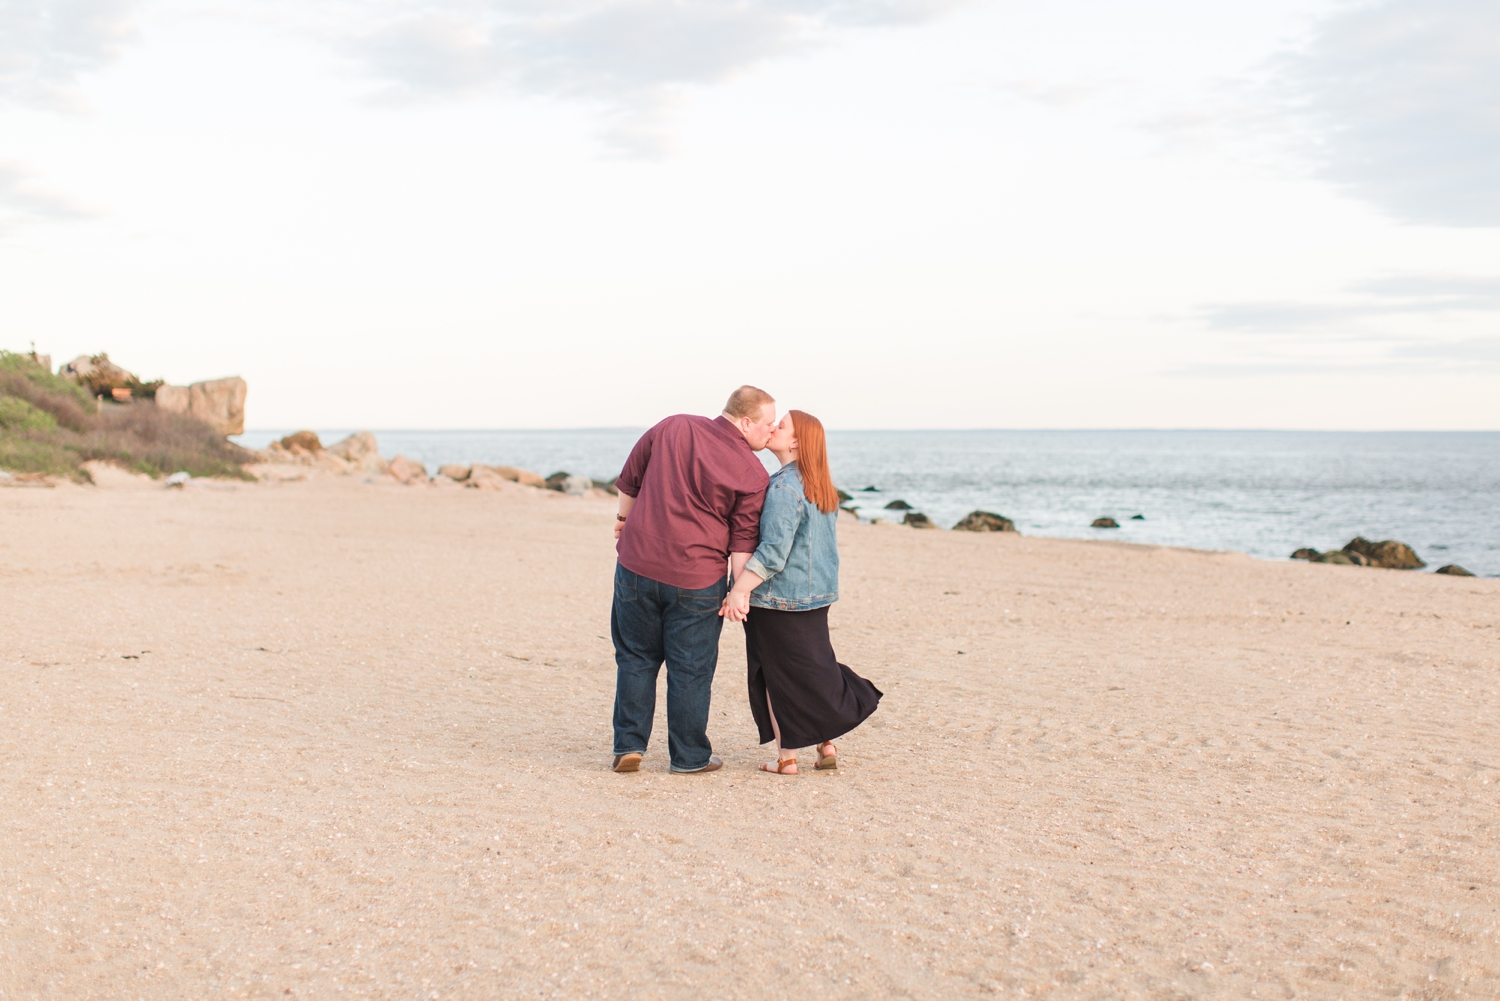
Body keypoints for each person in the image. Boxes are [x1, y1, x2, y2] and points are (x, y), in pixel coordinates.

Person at [609, 386, 778, 774]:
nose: (771, 432)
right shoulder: (754, 474)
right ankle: (688, 758)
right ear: (746, 420)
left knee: (635, 658)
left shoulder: (674, 426)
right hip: (698, 579)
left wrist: (622, 521)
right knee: (691, 669)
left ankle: (629, 746)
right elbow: (742, 540)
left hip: (637, 566)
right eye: (768, 424)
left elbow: (629, 481)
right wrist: (740, 591)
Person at [720, 410, 881, 774]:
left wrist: (738, 590)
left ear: (796, 441)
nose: (773, 426)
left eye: (782, 425)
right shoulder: (819, 484)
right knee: (814, 669)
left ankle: (787, 758)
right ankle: (825, 744)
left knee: (777, 676)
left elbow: (774, 553)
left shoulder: (783, 488)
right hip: (816, 596)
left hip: (780, 600)